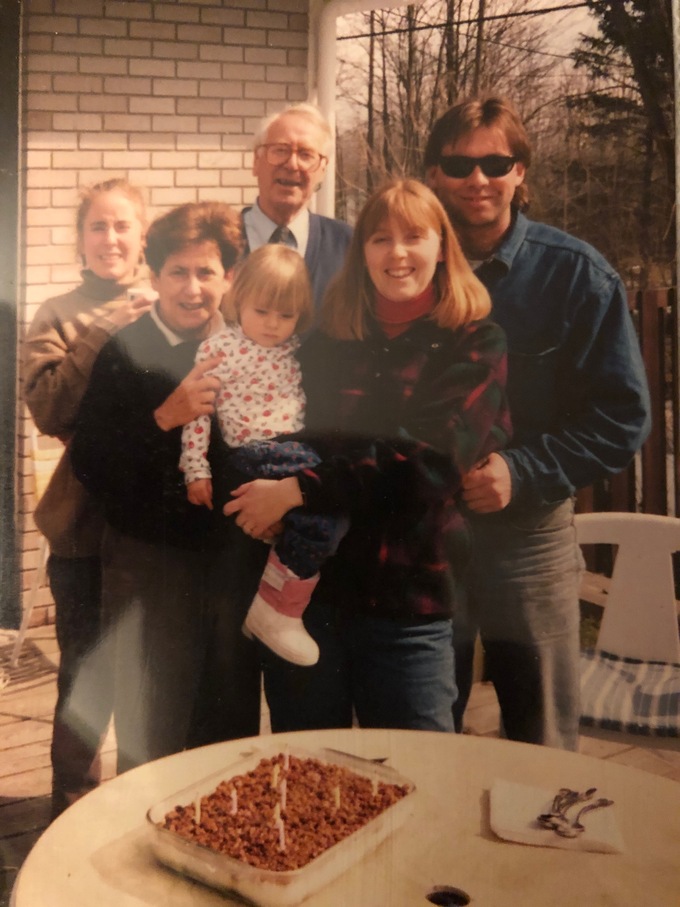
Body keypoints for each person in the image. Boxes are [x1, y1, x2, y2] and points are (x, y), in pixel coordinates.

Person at [225, 178, 511, 734]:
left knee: (419, 776)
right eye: (380, 238)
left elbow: (430, 463)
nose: (397, 253)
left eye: (414, 236)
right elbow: (284, 432)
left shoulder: (474, 343)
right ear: (361, 255)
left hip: (408, 602)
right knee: (307, 777)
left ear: (442, 247)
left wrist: (300, 490)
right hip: (310, 602)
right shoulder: (328, 342)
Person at [424, 95, 651, 750]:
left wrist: (523, 470)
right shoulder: (407, 267)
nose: (477, 179)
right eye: (459, 164)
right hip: (424, 533)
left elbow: (624, 416)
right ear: (435, 173)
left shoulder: (576, 275)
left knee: (542, 737)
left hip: (528, 533)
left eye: (496, 162)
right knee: (419, 727)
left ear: (521, 171)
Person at [70, 201, 261, 774]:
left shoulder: (246, 350)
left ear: (230, 277)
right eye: (178, 272)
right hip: (149, 562)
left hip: (227, 560)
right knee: (150, 728)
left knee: (225, 725)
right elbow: (91, 461)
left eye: (207, 272)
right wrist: (162, 418)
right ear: (154, 276)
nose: (193, 287)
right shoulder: (124, 350)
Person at [22, 178, 153, 818]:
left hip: (154, 531)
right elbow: (49, 407)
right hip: (82, 531)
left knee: (146, 677)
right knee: (83, 675)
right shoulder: (58, 314)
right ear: (80, 238)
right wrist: (103, 330)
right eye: (97, 226)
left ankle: (137, 809)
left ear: (143, 235)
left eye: (122, 225)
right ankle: (70, 810)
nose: (110, 239)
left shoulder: (169, 301)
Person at [179, 244, 347, 667]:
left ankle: (274, 604)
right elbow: (196, 416)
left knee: (329, 509)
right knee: (325, 517)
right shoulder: (219, 350)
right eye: (262, 311)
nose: (273, 325)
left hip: (294, 449)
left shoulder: (293, 351)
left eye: (285, 315)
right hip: (256, 453)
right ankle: (277, 611)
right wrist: (195, 469)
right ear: (238, 303)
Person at [242, 102, 353, 309]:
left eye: (306, 155)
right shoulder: (219, 241)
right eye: (280, 150)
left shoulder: (347, 246)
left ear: (322, 170)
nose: (292, 164)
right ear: (256, 162)